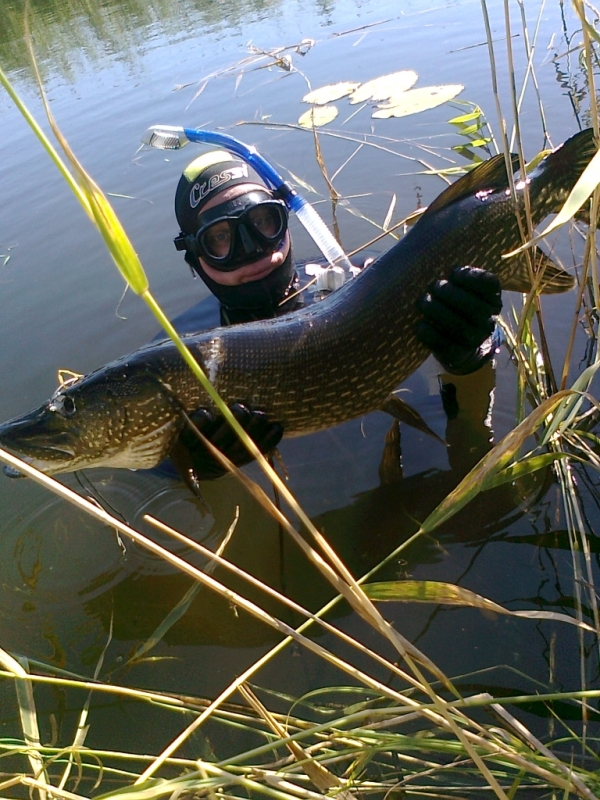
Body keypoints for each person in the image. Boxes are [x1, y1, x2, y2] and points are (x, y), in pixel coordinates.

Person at [166, 150, 503, 483]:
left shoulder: (377, 284)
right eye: (221, 237)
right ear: (195, 258)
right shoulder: (175, 354)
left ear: (284, 219)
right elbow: (142, 471)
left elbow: (464, 402)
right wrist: (185, 463)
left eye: (262, 221)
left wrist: (475, 353)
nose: (252, 248)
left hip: (417, 471)